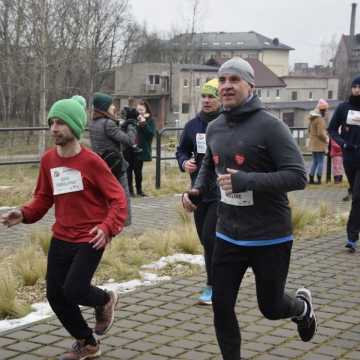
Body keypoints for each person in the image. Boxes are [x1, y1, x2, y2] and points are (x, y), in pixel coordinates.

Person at [182, 57, 317, 360]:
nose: (226, 86)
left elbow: (298, 176)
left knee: (270, 308)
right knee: (221, 305)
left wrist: (247, 181)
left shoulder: (271, 126)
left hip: (269, 235)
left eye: (234, 80)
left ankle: (302, 307)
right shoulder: (215, 127)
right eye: (223, 80)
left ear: (251, 86)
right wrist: (198, 189)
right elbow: (209, 162)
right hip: (228, 233)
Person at [1, 97, 128, 360]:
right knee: (56, 296)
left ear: (74, 126)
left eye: (60, 123)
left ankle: (105, 299)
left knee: (75, 289)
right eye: (51, 123)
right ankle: (88, 343)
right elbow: (44, 198)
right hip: (62, 236)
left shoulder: (92, 162)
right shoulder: (49, 160)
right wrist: (23, 213)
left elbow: (118, 198)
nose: (54, 128)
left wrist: (107, 228)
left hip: (91, 236)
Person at [177, 79, 221, 305]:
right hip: (198, 191)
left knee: (209, 238)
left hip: (222, 192)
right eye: (204, 96)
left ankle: (213, 286)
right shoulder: (193, 125)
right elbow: (182, 150)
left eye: (211, 96)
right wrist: (184, 162)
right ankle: (220, 277)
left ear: (220, 99)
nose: (206, 100)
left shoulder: (226, 123)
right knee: (206, 242)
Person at [89, 92, 139, 226]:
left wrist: (122, 124)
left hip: (101, 166)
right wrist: (132, 124)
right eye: (111, 105)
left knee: (106, 198)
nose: (114, 107)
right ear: (104, 107)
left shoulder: (94, 123)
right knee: (123, 196)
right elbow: (129, 140)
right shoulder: (108, 124)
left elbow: (112, 137)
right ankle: (123, 223)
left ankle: (104, 222)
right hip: (116, 167)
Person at [328, 74, 360, 253]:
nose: (356, 90)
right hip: (350, 158)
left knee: (357, 197)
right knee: (357, 196)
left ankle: (351, 237)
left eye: (359, 87)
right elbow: (332, 129)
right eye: (354, 87)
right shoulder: (344, 108)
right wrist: (343, 143)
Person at [126, 100, 156, 197]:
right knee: (129, 169)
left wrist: (144, 124)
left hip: (140, 149)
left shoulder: (150, 120)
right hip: (130, 148)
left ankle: (139, 190)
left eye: (142, 110)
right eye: (138, 109)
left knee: (138, 171)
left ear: (146, 110)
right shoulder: (132, 118)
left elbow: (151, 134)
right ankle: (130, 191)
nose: (140, 112)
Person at [307, 104, 328, 185]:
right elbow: (320, 133)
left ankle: (311, 178)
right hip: (319, 144)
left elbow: (309, 130)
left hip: (313, 143)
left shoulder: (312, 119)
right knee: (320, 162)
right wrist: (326, 139)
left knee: (315, 161)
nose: (326, 112)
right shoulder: (320, 120)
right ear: (323, 111)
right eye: (326, 110)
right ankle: (319, 179)